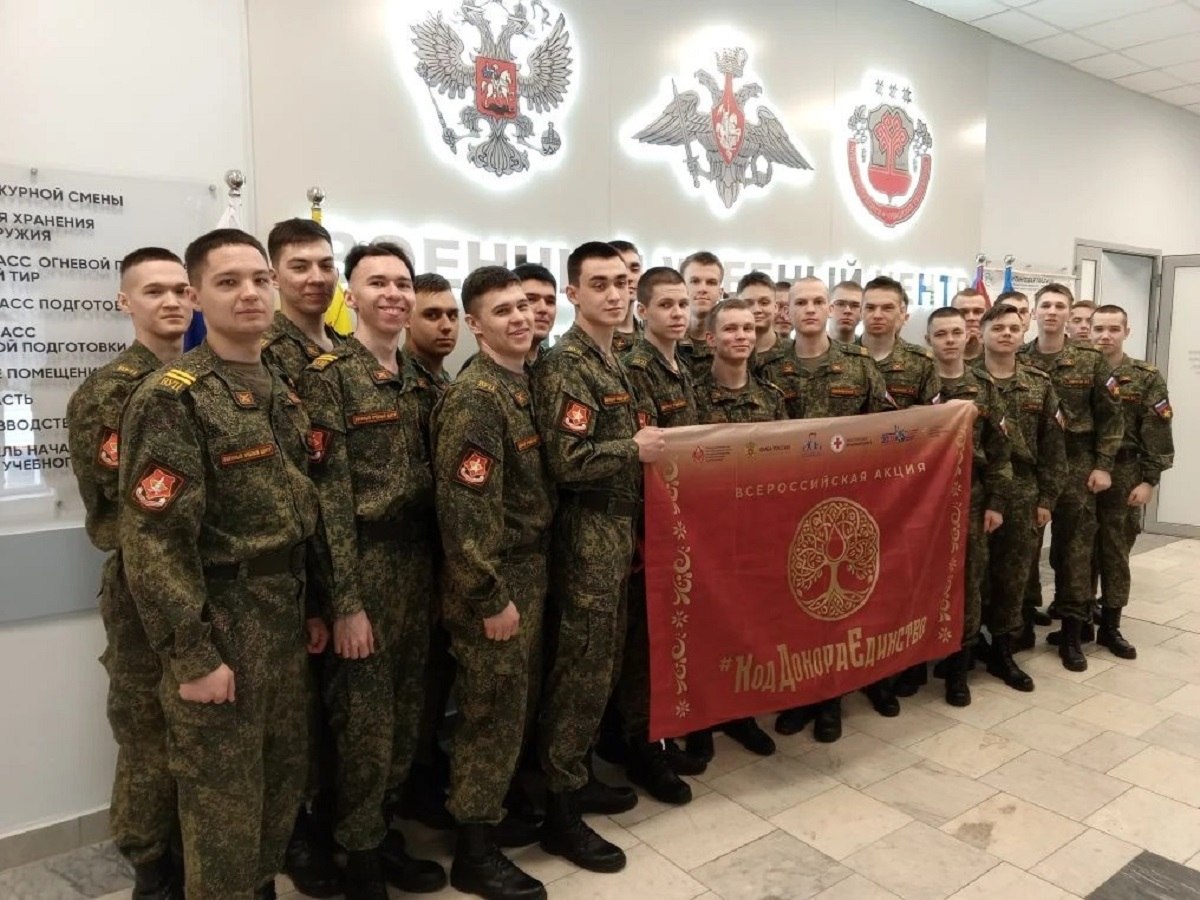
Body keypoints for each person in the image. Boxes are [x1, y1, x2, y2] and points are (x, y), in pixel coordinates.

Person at [119, 229, 321, 900]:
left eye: (260, 279)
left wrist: (311, 605)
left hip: (282, 614)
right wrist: (194, 655)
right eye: (228, 282)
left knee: (280, 784)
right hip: (223, 620)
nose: (250, 293)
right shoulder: (173, 397)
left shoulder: (280, 386)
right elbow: (154, 543)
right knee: (223, 807)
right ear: (197, 296)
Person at [297, 242, 446, 899]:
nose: (393, 293)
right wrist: (346, 603)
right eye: (377, 282)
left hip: (417, 563)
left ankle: (380, 833)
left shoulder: (422, 379)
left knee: (408, 714)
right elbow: (327, 501)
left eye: (402, 283)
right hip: (363, 564)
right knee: (363, 724)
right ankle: (357, 855)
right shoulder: (329, 377)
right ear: (349, 296)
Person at [531, 241, 667, 875]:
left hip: (617, 535)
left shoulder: (612, 359)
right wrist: (633, 449)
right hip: (586, 539)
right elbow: (567, 461)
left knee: (602, 669)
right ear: (573, 293)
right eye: (599, 284)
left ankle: (578, 778)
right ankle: (560, 815)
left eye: (621, 282)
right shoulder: (568, 364)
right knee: (579, 674)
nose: (614, 294)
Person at [66, 248, 194, 900]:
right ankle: (152, 866)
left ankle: (196, 852)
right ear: (125, 302)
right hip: (143, 585)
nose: (171, 302)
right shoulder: (110, 393)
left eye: (180, 290)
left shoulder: (204, 382)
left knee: (199, 726)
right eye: (153, 291)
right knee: (147, 728)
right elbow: (117, 505)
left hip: (203, 584)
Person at [432, 266, 555, 900]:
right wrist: (490, 596)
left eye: (524, 305)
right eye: (502, 311)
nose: (520, 317)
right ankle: (474, 854)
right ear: (474, 326)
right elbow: (463, 513)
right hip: (496, 581)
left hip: (528, 570)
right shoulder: (477, 397)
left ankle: (491, 814)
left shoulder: (521, 383)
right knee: (489, 715)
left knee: (510, 709)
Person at [761, 276, 891, 741]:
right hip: (787, 507)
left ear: (831, 309)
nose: (811, 309)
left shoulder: (858, 365)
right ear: (789, 311)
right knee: (794, 601)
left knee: (838, 605)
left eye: (819, 301)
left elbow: (887, 428)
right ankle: (799, 695)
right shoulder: (768, 366)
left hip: (845, 505)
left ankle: (831, 697)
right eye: (802, 302)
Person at [681, 298, 784, 762]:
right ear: (711, 338)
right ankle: (700, 721)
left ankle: (740, 713)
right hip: (705, 534)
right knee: (703, 627)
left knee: (746, 624)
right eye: (730, 329)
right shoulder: (691, 396)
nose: (741, 336)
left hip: (756, 533)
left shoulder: (771, 398)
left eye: (747, 328)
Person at [617, 267, 703, 803]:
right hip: (646, 524)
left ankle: (660, 737)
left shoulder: (680, 367)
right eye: (666, 304)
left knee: (665, 639)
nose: (676, 313)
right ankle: (641, 748)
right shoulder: (635, 369)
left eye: (683, 304)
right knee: (641, 649)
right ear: (642, 310)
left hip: (679, 521)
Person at [1018, 283, 1122, 671]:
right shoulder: (1019, 357)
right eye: (1045, 305)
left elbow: (1112, 418)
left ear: (1069, 313)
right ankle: (1021, 625)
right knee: (1025, 549)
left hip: (1078, 464)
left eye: (1059, 306)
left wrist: (1104, 464)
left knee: (1075, 551)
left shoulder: (1090, 360)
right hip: (1032, 466)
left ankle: (1073, 634)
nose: (1052, 311)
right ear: (1034, 312)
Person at [856, 276, 940, 707]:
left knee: (894, 584)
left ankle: (888, 672)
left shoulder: (921, 364)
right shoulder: (844, 358)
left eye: (887, 307)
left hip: (902, 495)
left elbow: (934, 429)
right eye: (870, 307)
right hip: (851, 493)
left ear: (903, 314)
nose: (877, 315)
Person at [925, 307, 1013, 706]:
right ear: (928, 340)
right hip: (923, 501)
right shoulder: (918, 384)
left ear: (967, 337)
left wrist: (996, 502)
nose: (949, 340)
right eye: (941, 334)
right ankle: (914, 665)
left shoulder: (984, 387)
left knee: (969, 580)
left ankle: (959, 669)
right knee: (921, 578)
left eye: (955, 333)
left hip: (971, 497)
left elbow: (1000, 450)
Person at [977, 304, 1064, 685]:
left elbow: (1054, 447)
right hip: (975, 489)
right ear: (981, 333)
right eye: (998, 327)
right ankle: (967, 645)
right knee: (972, 573)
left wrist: (1047, 499)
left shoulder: (1038, 384)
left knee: (1013, 576)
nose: (1007, 334)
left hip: (1023, 491)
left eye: (1014, 328)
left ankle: (1003, 650)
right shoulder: (964, 381)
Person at [1089, 304, 1174, 659]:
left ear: (1127, 332)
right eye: (1099, 329)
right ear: (1089, 331)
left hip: (1125, 474)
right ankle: (1078, 619)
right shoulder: (1078, 370)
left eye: (1113, 329)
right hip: (1083, 471)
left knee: (1115, 551)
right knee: (1077, 551)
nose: (1105, 336)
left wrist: (1149, 480)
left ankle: (1110, 626)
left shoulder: (1144, 376)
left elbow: (1157, 429)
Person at [261, 218, 342, 385]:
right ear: (274, 278)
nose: (318, 279)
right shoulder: (261, 354)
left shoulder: (347, 346)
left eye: (326, 266)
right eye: (300, 268)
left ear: (337, 274)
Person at [403, 273, 460, 387]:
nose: (447, 326)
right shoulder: (394, 384)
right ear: (406, 318)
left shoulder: (447, 382)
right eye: (432, 315)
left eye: (452, 316)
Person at [677, 251, 724, 375]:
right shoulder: (666, 340)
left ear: (720, 292)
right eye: (695, 281)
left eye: (711, 282)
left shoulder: (729, 342)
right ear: (682, 288)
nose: (703, 289)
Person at [738, 270, 792, 373]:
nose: (757, 310)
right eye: (748, 303)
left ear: (775, 307)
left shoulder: (796, 353)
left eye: (764, 303)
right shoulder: (726, 353)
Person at [516, 262, 559, 365]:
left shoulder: (558, 365)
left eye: (550, 302)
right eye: (531, 299)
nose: (543, 309)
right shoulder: (490, 368)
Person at [609, 239, 643, 354]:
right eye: (620, 269)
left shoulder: (651, 339)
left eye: (635, 269)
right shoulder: (595, 342)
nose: (629, 278)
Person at [952, 287, 988, 363]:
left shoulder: (999, 354)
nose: (971, 318)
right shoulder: (936, 357)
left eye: (978, 311)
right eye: (963, 312)